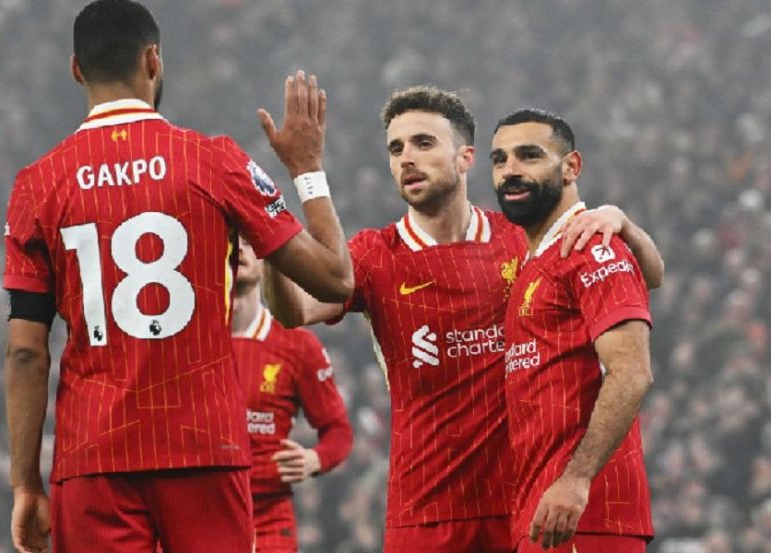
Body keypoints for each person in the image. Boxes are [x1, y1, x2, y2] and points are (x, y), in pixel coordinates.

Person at [2, 1, 352, 552]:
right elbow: (335, 280)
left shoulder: (37, 185)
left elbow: (26, 352)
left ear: (76, 70)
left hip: (94, 456)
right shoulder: (215, 160)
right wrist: (307, 170)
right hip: (205, 449)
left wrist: (25, 484)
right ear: (153, 60)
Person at [265, 86, 663, 553]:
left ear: (466, 158)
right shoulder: (375, 255)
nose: (407, 158)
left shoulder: (521, 237)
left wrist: (620, 222)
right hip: (427, 511)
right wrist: (274, 229)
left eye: (423, 143)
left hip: (526, 507)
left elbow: (644, 275)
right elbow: (294, 310)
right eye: (396, 149)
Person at [491, 108, 654, 552]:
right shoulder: (536, 259)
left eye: (529, 155)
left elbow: (632, 372)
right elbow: (653, 274)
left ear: (571, 167)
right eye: (500, 159)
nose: (510, 170)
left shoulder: (592, 247)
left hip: (586, 513)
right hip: (541, 511)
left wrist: (577, 480)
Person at [232, 236, 353, 552]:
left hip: (268, 516)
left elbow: (338, 430)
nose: (240, 249)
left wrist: (315, 459)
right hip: (198, 510)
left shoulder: (298, 345)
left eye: (249, 242)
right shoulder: (188, 342)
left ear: (265, 258)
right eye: (230, 240)